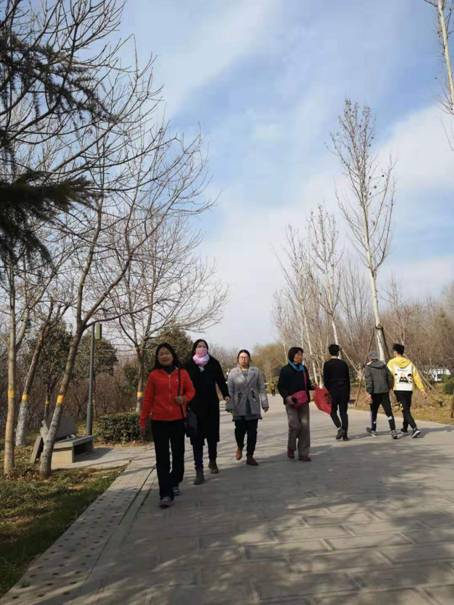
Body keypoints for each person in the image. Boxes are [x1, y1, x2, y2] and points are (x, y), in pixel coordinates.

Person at [140, 343, 195, 508]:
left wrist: (184, 399)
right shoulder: (154, 376)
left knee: (178, 455)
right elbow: (148, 399)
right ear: (157, 358)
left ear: (172, 355)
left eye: (167, 353)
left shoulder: (182, 373)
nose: (164, 356)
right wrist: (143, 419)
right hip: (159, 421)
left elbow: (191, 391)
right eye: (161, 354)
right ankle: (165, 493)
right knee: (162, 458)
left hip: (178, 420)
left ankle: (174, 481)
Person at [186, 339, 230, 485]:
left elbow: (221, 381)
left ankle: (212, 460)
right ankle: (199, 470)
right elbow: (183, 384)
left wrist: (226, 394)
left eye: (204, 346)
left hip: (211, 405)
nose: (201, 348)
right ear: (194, 349)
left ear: (207, 349)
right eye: (199, 346)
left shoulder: (213, 363)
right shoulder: (188, 365)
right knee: (196, 438)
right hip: (194, 406)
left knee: (212, 436)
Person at [226, 350, 269, 466]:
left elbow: (261, 388)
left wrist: (264, 403)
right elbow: (230, 390)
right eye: (241, 357)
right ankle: (240, 446)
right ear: (238, 359)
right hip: (238, 405)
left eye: (246, 357)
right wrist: (229, 405)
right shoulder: (233, 372)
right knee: (239, 431)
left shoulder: (256, 371)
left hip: (252, 404)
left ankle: (250, 455)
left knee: (252, 433)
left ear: (249, 359)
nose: (244, 359)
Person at [277, 347, 313, 461]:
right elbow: (280, 386)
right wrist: (287, 397)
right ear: (292, 356)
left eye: (301, 354)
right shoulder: (285, 370)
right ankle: (291, 447)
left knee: (305, 427)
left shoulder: (303, 369)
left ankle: (303, 453)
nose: (300, 357)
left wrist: (313, 387)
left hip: (303, 402)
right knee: (295, 426)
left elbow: (307, 384)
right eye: (297, 354)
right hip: (291, 402)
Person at [387, 343, 426, 438]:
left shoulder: (391, 362)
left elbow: (388, 376)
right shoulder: (410, 363)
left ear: (395, 352)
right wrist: (422, 390)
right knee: (406, 409)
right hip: (409, 389)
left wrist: (388, 387)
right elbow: (416, 377)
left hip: (399, 389)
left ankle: (415, 428)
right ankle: (404, 428)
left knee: (405, 410)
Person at [364, 351, 399, 439]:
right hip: (384, 391)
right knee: (388, 411)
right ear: (377, 357)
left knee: (374, 412)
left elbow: (369, 381)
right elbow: (390, 377)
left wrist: (369, 392)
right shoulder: (384, 366)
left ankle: (373, 430)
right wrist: (389, 387)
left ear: (370, 358)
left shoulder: (368, 367)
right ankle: (393, 430)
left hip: (374, 393)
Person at [323, 344, 350, 441]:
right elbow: (348, 379)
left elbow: (325, 380)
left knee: (332, 411)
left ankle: (339, 428)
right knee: (343, 412)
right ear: (338, 352)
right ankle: (345, 435)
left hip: (333, 391)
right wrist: (348, 392)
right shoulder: (343, 364)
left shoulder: (327, 364)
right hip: (344, 390)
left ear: (330, 352)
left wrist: (328, 391)